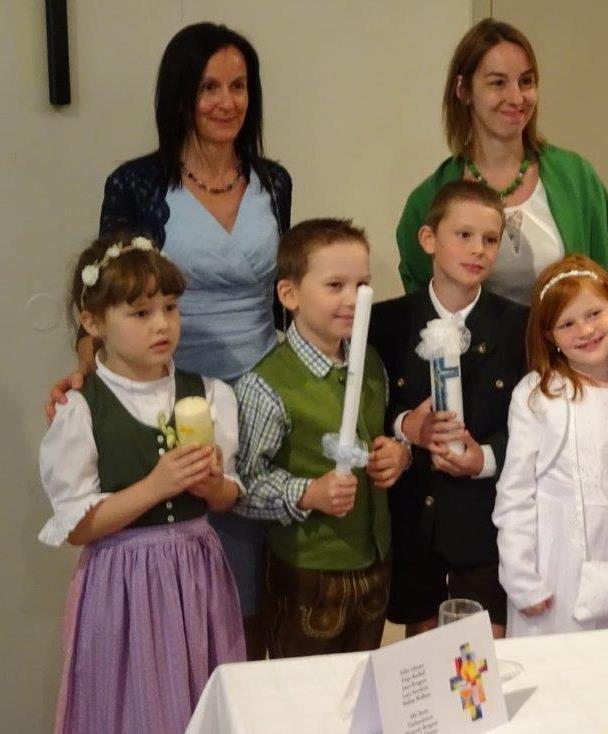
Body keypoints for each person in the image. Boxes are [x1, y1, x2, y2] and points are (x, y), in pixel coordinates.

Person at [46, 22, 292, 657]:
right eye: (209, 87)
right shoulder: (137, 183)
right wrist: (87, 379)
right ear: (180, 95)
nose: (227, 102)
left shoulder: (274, 181)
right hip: (172, 397)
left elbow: (283, 297)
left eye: (239, 86)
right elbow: (111, 295)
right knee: (188, 586)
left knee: (265, 592)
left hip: (263, 397)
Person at [39, 234, 244, 734]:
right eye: (140, 313)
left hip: (196, 575)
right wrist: (155, 486)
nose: (162, 325)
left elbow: (229, 495)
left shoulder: (210, 393)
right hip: (123, 584)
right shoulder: (81, 409)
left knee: (201, 698)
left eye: (170, 307)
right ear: (93, 323)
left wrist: (212, 485)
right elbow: (78, 527)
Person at [396, 18, 608, 312]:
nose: (516, 98)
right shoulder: (426, 201)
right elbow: (423, 311)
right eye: (498, 83)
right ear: (463, 90)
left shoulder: (576, 178)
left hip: (566, 343)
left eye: (526, 81)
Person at [233, 219, 410, 656]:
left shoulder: (371, 362)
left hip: (374, 564)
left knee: (362, 682)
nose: (352, 299)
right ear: (289, 294)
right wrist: (308, 493)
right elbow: (242, 486)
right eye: (335, 285)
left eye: (362, 285)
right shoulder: (267, 385)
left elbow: (383, 431)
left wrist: (398, 454)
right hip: (306, 576)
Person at [370, 181, 527, 639]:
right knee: (426, 664)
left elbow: (536, 426)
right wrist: (406, 426)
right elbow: (368, 406)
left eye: (490, 239)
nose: (478, 249)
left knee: (481, 666)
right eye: (463, 235)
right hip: (416, 526)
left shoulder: (519, 326)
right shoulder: (387, 322)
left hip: (486, 528)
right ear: (428, 239)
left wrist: (485, 458)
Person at [493, 255, 608, 637]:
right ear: (549, 335)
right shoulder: (538, 395)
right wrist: (520, 576)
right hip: (555, 565)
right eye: (567, 324)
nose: (585, 330)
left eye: (594, 314)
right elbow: (515, 493)